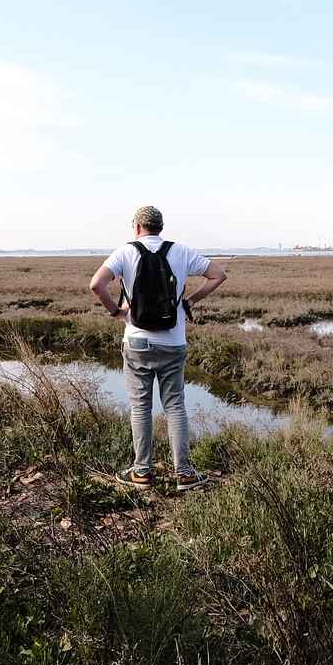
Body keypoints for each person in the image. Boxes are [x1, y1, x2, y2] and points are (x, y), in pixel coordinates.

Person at [86, 206, 229, 490]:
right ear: (160, 227)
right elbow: (218, 275)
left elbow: (96, 284)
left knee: (140, 406)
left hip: (137, 342)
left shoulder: (125, 252)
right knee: (175, 405)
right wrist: (189, 301)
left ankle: (142, 473)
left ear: (138, 226)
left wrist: (117, 311)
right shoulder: (181, 251)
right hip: (173, 343)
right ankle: (185, 474)